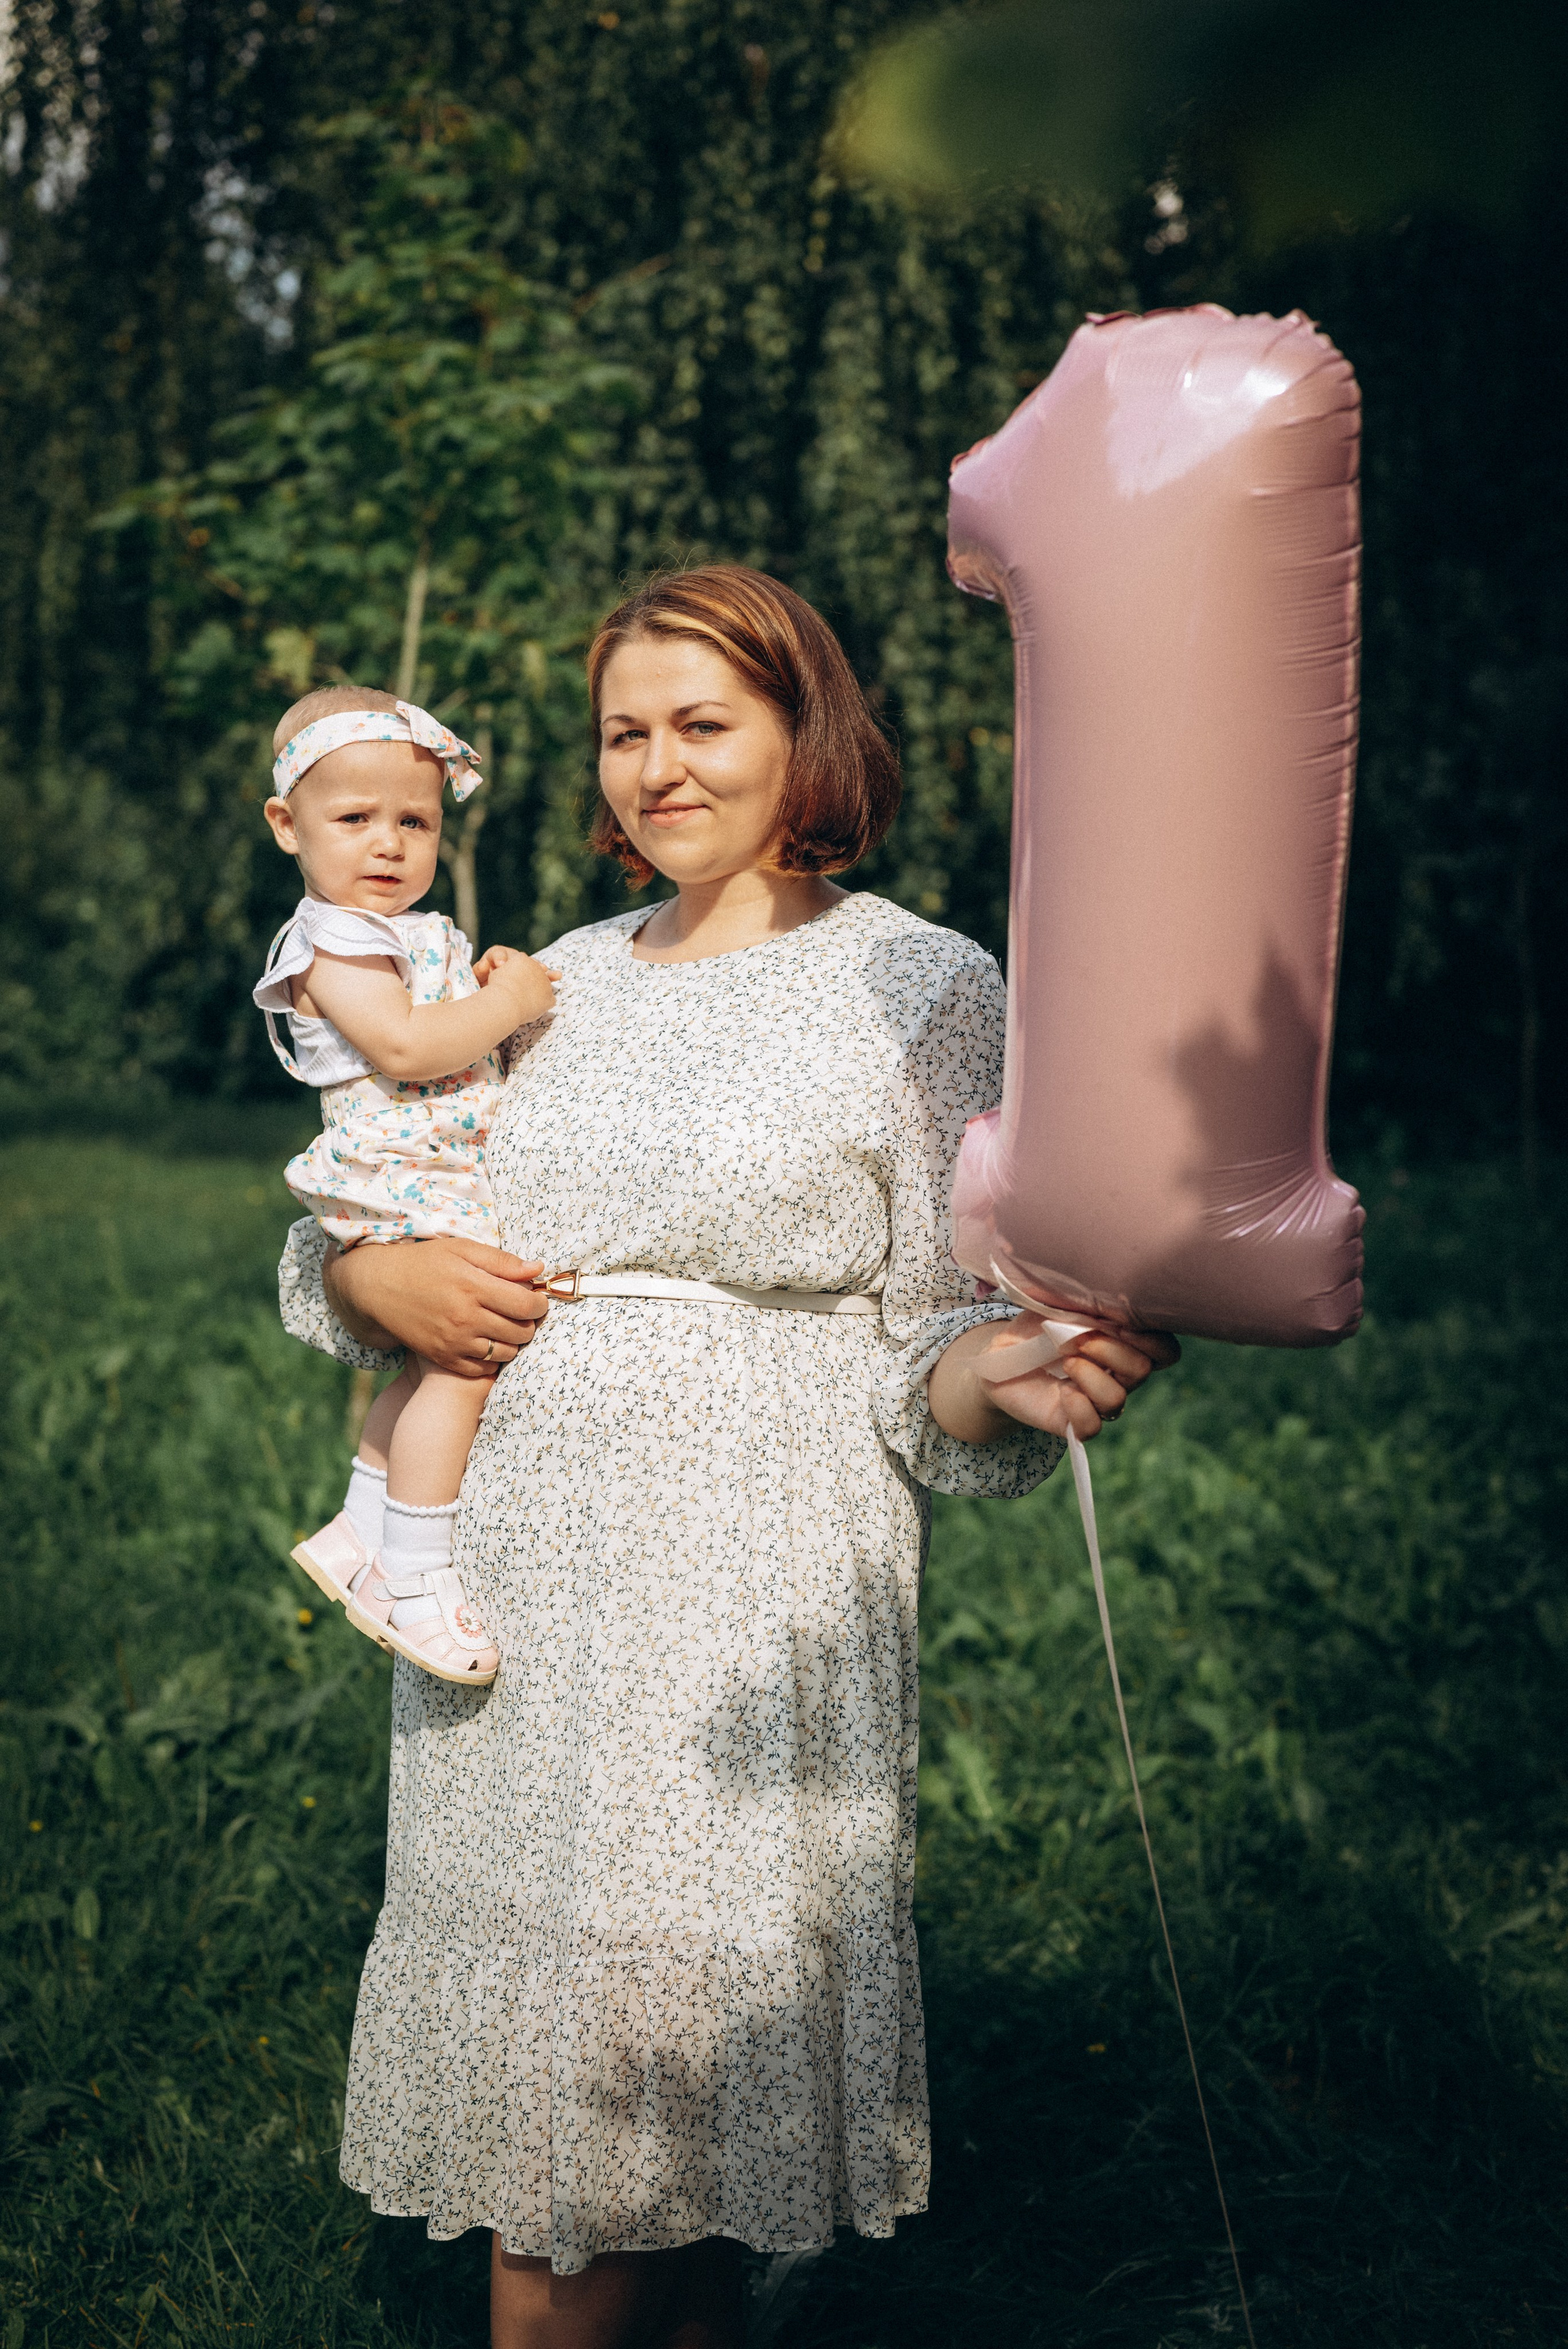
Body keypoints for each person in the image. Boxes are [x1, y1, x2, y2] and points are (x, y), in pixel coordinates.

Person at [276, 567, 1175, 2348]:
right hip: (517, 1576)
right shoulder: (549, 976)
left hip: (754, 1588)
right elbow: (368, 1203)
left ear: (803, 731)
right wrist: (377, 1281)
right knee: (569, 2145)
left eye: (702, 724)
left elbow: (927, 1337)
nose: (657, 768)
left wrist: (1012, 1372)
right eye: (625, 732)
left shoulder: (922, 982)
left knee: (675, 2120)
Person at [255, 685, 557, 1684]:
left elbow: (444, 1017)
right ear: (288, 826)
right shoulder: (333, 939)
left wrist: (490, 985)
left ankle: (360, 1526)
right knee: (465, 1365)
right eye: (354, 819)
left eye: (415, 822)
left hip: (428, 1170)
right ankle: (415, 1576)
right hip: (399, 1176)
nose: (387, 844)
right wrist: (510, 1001)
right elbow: (409, 1046)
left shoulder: (400, 931)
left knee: (430, 1365)